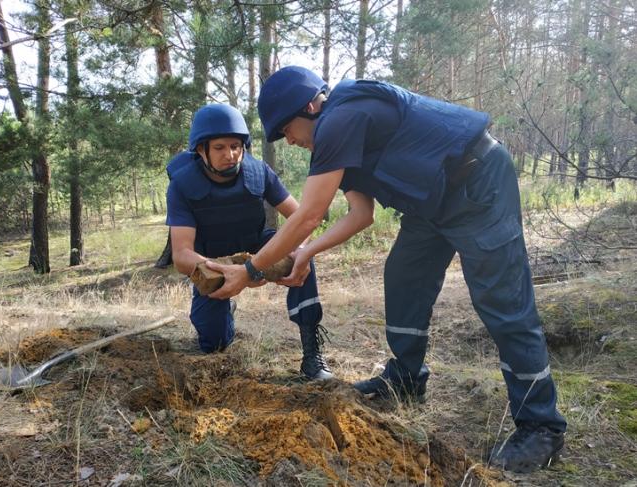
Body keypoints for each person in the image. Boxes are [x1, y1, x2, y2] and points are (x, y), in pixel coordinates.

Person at [205, 66, 567, 473]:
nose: (288, 139)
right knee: (403, 278)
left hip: (477, 182)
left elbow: (308, 214)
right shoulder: (340, 140)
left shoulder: (342, 117)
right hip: (431, 203)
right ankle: (406, 379)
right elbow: (360, 215)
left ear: (310, 106)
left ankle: (541, 425)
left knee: (502, 302)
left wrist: (252, 269)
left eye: (286, 128)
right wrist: (306, 254)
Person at [166, 103, 332, 380]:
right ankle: (223, 315)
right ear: (201, 149)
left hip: (258, 244)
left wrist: (298, 252)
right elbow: (182, 254)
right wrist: (230, 271)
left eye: (235, 145)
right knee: (214, 343)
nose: (230, 155)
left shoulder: (259, 172)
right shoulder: (182, 185)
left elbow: (301, 217)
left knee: (303, 254)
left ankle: (311, 353)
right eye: (219, 147)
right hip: (212, 261)